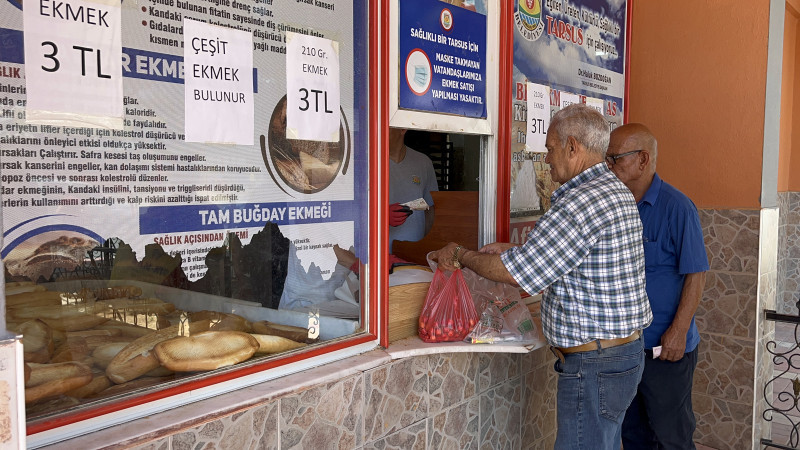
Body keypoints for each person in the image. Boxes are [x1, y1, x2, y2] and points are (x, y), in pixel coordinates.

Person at [432, 104, 652, 449]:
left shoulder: (581, 201)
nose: (546, 159)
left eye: (550, 148)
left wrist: (461, 255)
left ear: (573, 147)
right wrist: (514, 250)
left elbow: (516, 275)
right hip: (618, 355)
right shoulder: (611, 189)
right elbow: (569, 257)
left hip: (596, 364)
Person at [608, 123, 709, 450]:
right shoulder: (614, 208)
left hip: (664, 350)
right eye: (607, 158)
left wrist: (679, 330)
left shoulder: (677, 208)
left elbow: (696, 273)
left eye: (616, 158)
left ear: (643, 159)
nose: (609, 165)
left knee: (670, 437)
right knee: (633, 436)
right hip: (624, 349)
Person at [388, 127, 438, 250]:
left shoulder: (423, 162)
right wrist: (379, 216)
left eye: (383, 126)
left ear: (402, 129)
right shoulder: (365, 162)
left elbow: (430, 207)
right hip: (377, 257)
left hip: (414, 252)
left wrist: (427, 245)